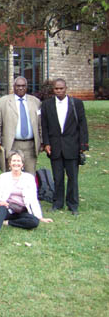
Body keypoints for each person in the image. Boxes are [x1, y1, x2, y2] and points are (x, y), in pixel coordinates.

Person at [41, 78, 89, 215]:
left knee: (73, 177)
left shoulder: (77, 104)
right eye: (56, 89)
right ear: (53, 90)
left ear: (66, 88)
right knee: (58, 177)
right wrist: (46, 143)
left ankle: (73, 204)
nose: (59, 91)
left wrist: (83, 145)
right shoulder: (47, 105)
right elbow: (44, 126)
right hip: (55, 147)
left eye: (61, 88)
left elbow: (82, 125)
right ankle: (57, 203)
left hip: (72, 146)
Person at [0, 150, 53, 243]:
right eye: (13, 161)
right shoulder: (3, 177)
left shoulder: (29, 178)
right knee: (1, 209)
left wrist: (40, 216)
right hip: (7, 208)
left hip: (21, 210)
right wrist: (0, 202)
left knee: (34, 222)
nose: (16, 163)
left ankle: (7, 222)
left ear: (22, 164)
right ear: (9, 164)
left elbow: (33, 199)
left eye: (18, 161)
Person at [0, 76, 42, 174]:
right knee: (11, 174)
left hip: (30, 146)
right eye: (18, 86)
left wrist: (41, 141)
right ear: (14, 86)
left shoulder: (35, 102)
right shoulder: (3, 102)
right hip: (12, 144)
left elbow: (40, 124)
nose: (21, 88)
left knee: (30, 175)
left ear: (27, 87)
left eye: (23, 86)